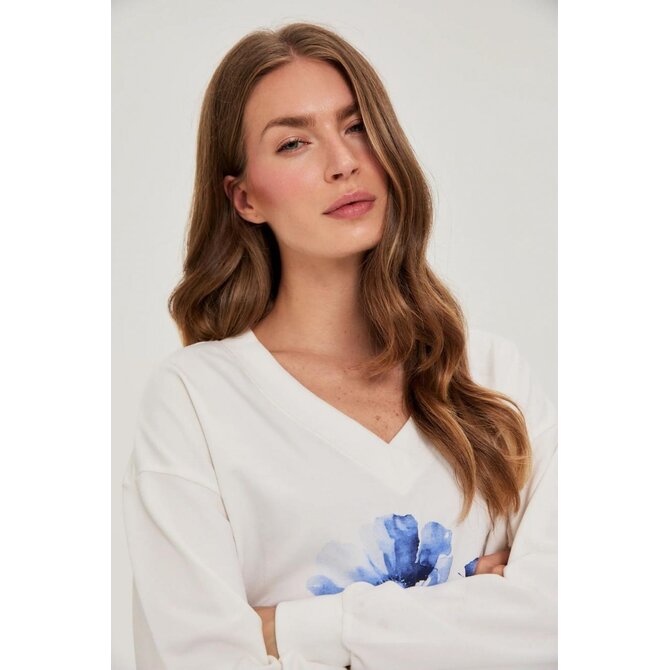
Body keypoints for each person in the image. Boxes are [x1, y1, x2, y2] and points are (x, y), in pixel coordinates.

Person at [122, 21, 557, 670]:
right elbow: (199, 658)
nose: (343, 161)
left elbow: (568, 618)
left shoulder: (489, 373)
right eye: (294, 142)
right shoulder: (194, 400)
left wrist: (286, 630)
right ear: (244, 197)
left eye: (356, 126)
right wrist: (476, 608)